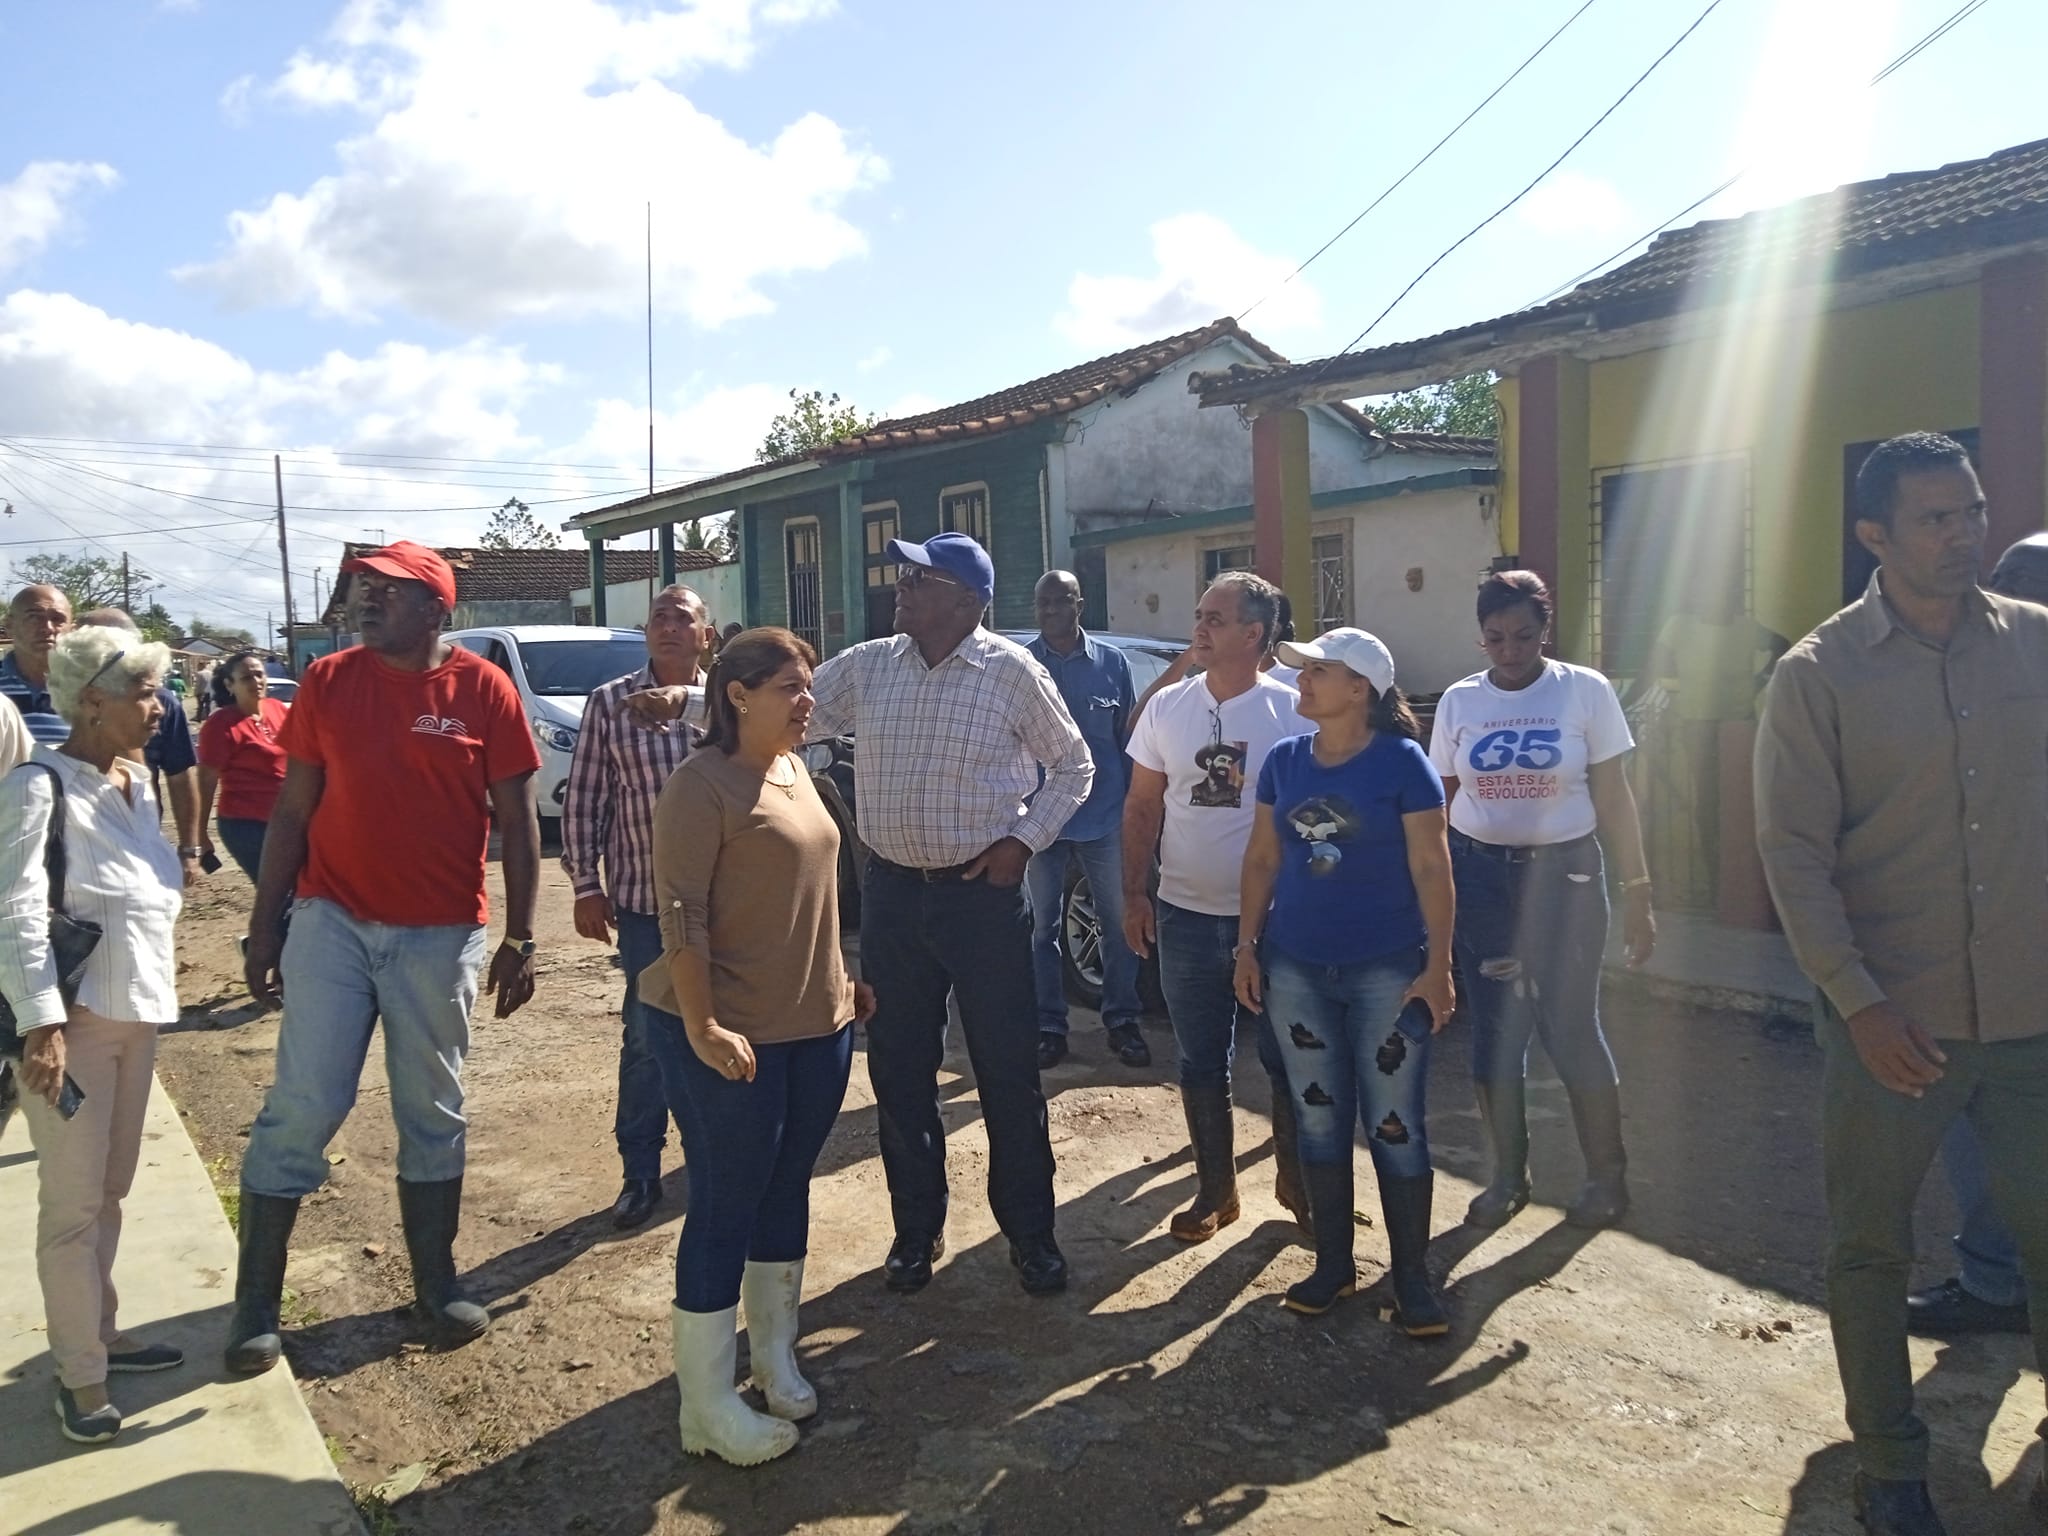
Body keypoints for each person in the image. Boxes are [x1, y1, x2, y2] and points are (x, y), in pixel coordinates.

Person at [1756, 432, 2048, 1536]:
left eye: (1970, 508)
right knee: (1870, 1250)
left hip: (2030, 1016)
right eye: (1935, 517)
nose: (1963, 531)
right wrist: (1857, 1001)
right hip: (1893, 1024)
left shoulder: (2033, 648)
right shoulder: (1817, 675)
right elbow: (1791, 854)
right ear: (1873, 534)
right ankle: (1889, 1468)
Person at [225, 539, 543, 1373]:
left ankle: (435, 1286)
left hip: (439, 932)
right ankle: (256, 1302)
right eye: (363, 589)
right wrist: (267, 925)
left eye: (389, 591)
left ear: (437, 609)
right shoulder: (329, 684)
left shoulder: (483, 690)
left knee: (430, 1108)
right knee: (305, 1101)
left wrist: (520, 935)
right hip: (331, 921)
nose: (366, 601)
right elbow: (294, 811)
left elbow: (517, 821)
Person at [807, 532, 1091, 1297]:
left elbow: (1074, 766)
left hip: (982, 899)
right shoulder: (869, 666)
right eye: (901, 574)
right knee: (900, 1073)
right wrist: (694, 698)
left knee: (1006, 1072)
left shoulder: (1010, 672)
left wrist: (1022, 843)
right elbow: (785, 705)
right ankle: (915, 1232)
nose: (900, 586)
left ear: (966, 599)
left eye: (919, 578)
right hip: (895, 897)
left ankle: (1031, 1236)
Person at [643, 627, 876, 1466]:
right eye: (790, 686)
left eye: (808, 685)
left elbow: (819, 888)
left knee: (784, 1190)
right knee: (725, 1201)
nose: (807, 699)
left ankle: (774, 1356)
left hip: (817, 1025)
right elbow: (682, 917)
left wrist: (847, 977)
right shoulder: (699, 787)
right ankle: (704, 1407)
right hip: (727, 1032)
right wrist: (703, 1026)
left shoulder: (797, 772)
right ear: (737, 694)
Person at [1235, 627, 1455, 1330]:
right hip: (1296, 965)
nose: (1300, 681)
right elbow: (1264, 858)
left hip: (1386, 968)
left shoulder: (1402, 764)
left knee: (1394, 1125)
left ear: (1360, 688)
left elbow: (1431, 867)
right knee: (1319, 1118)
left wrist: (1438, 966)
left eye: (1317, 672)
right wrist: (1247, 946)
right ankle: (1333, 1264)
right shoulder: (1284, 761)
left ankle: (1412, 1280)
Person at [0, 626, 186, 1444]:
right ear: (91, 702)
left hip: (134, 1019)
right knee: (72, 1207)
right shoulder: (39, 787)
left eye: (157, 689)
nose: (159, 707)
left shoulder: (137, 785)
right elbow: (16, 914)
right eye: (143, 693)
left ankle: (101, 1330)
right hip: (69, 1030)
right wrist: (40, 1023)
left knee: (109, 1189)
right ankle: (80, 1377)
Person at [1429, 570, 1655, 1233]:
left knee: (1570, 1024)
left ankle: (1607, 1180)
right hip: (1482, 880)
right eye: (1495, 638)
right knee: (1497, 1029)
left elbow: (1614, 796)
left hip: (1567, 879)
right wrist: (1431, 891)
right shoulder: (1459, 701)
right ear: (1480, 637)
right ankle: (1506, 1177)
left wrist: (1639, 890)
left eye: (1524, 635)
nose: (1510, 650)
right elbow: (1440, 801)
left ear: (1544, 629)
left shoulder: (1585, 691)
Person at [1125, 572, 1308, 1244]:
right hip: (1185, 914)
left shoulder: (1294, 708)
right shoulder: (1169, 707)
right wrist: (1134, 893)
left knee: (1289, 1056)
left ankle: (1298, 1185)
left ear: (1254, 635)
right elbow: (1142, 805)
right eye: (1198, 615)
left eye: (1216, 619)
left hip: (1278, 920)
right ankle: (1216, 1192)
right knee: (1201, 1058)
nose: (1199, 629)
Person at [1898, 531, 2045, 1341]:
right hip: (1970, 961)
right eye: (2005, 580)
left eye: (2031, 584)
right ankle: (1994, 1283)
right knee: (1975, 1131)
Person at [563, 585, 712, 1230]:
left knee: (723, 1028)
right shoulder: (610, 705)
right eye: (659, 617)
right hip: (649, 907)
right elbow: (587, 800)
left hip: (726, 903)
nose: (669, 627)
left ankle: (712, 1163)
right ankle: (641, 1171)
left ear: (706, 635)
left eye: (683, 618)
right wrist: (584, 885)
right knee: (650, 1037)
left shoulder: (731, 703)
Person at [1022, 570, 1146, 1070]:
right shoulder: (1021, 664)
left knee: (1120, 926)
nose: (1050, 611)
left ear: (1080, 604)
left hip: (1104, 817)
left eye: (1059, 602)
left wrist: (1140, 808)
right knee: (1040, 928)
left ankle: (1122, 1021)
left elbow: (1129, 740)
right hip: (1039, 818)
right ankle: (1049, 1026)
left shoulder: (1112, 665)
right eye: (1042, 603)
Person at [73, 609, 206, 890]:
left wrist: (188, 850)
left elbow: (180, 776)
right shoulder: (55, 701)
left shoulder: (164, 705)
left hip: (135, 847)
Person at [196, 650, 289, 882]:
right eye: (247, 678)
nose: (256, 682)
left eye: (259, 675)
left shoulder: (277, 709)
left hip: (286, 820)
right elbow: (206, 783)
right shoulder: (221, 725)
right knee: (278, 892)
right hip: (247, 825)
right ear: (230, 684)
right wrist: (200, 834)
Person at [1, 584, 75, 744]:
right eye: (34, 617)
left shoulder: (92, 687)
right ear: (9, 626)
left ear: (72, 630)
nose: (47, 628)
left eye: (57, 619)